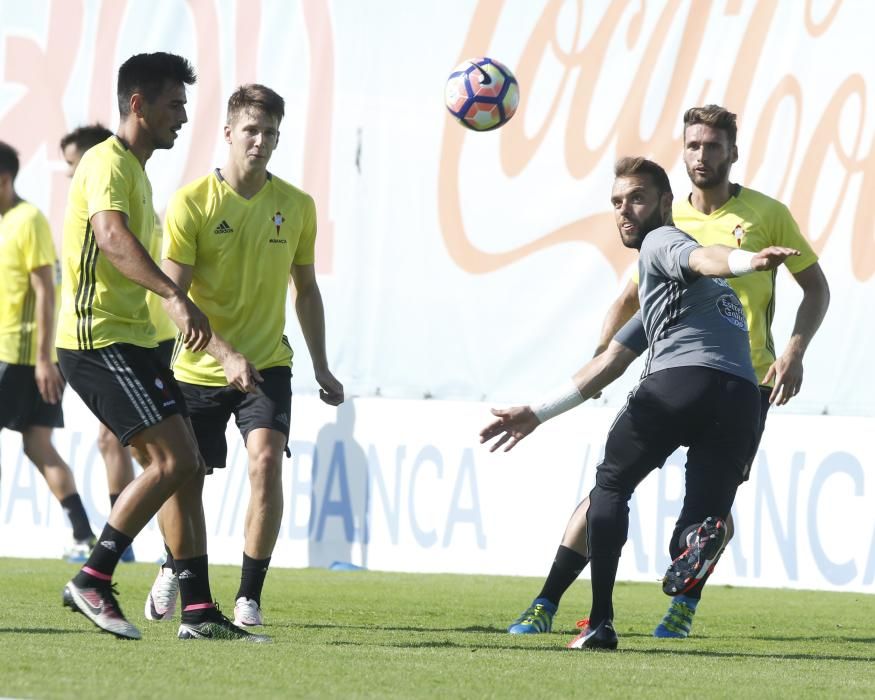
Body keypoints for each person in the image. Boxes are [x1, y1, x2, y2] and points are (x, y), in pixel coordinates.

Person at [504, 105, 830, 640]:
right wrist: (561, 391)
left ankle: (596, 618)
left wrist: (756, 275)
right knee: (703, 519)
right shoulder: (683, 282)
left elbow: (703, 259)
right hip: (741, 396)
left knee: (608, 487)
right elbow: (627, 324)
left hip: (694, 380)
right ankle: (684, 566)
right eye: (616, 202)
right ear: (683, 154)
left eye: (633, 199)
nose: (624, 211)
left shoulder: (666, 237)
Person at [56, 52, 267, 642]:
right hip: (98, 339)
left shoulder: (136, 170)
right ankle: (94, 577)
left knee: (187, 466)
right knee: (174, 462)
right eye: (174, 103)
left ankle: (197, 613)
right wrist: (176, 297)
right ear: (137, 104)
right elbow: (113, 238)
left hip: (132, 339)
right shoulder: (107, 162)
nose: (183, 115)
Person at [143, 83, 343, 628]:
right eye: (251, 131)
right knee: (187, 478)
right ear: (228, 133)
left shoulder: (297, 206)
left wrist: (321, 364)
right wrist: (223, 352)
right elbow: (171, 299)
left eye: (271, 133)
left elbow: (306, 290)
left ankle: (249, 596)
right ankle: (173, 562)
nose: (261, 141)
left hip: (268, 365)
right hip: (198, 368)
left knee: (265, 461)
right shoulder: (191, 203)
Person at [60, 123, 180, 563]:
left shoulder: (126, 174)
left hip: (149, 340)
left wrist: (176, 299)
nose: (73, 174)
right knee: (154, 455)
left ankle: (170, 569)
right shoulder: (109, 172)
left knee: (172, 461)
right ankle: (118, 559)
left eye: (73, 163)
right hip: (112, 340)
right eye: (175, 104)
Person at [0, 141, 96, 560]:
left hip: (19, 355)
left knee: (38, 444)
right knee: (38, 444)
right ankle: (82, 533)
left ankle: (83, 534)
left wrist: (43, 357)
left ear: (3, 181)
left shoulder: (28, 220)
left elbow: (45, 291)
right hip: (21, 356)